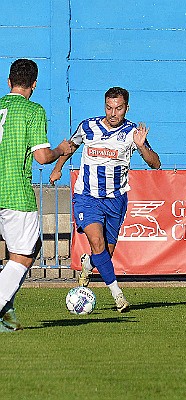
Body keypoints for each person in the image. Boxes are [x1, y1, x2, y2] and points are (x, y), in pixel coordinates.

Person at [49, 86, 161, 312]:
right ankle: (118, 296)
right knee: (97, 243)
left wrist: (141, 147)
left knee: (105, 255)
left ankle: (88, 263)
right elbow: (70, 147)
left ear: (126, 108)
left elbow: (155, 163)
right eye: (109, 108)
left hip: (116, 200)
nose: (113, 113)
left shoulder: (132, 133)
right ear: (104, 107)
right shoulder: (88, 126)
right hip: (87, 196)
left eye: (118, 109)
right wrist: (58, 168)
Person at [0, 59, 73, 332]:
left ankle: (7, 318)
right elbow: (42, 157)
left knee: (25, 251)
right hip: (15, 194)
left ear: (8, 81)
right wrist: (61, 149)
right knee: (24, 255)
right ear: (34, 84)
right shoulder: (32, 110)